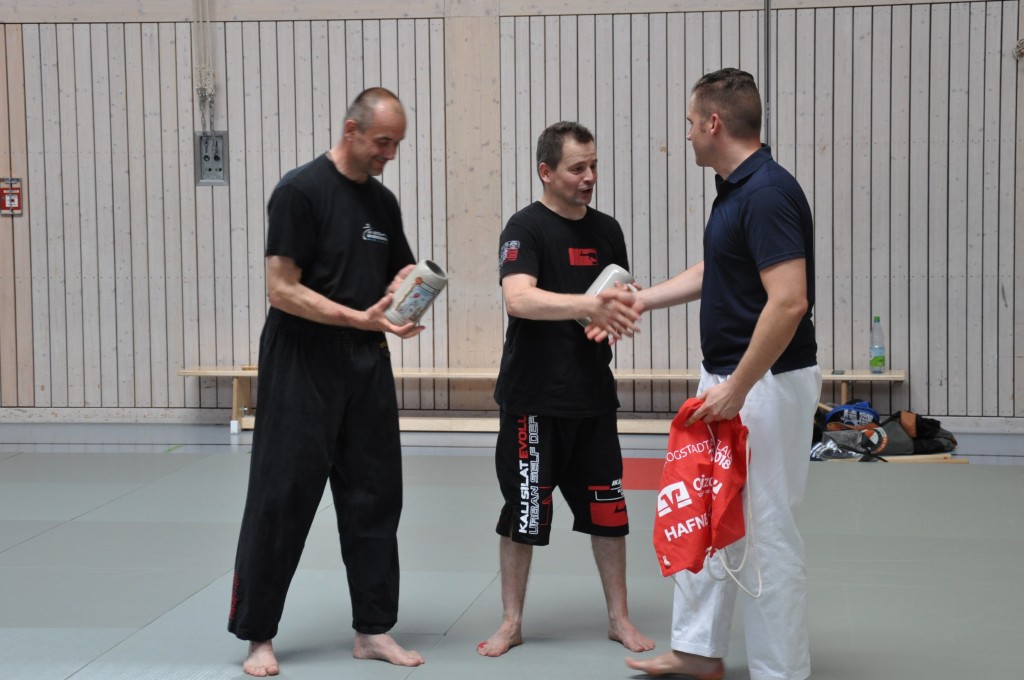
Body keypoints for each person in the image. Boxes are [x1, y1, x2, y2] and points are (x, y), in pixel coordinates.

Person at [625, 68, 821, 680]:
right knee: (705, 515)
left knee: (764, 532)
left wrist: (738, 387)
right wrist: (642, 300)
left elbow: (788, 301)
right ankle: (697, 651)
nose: (686, 134)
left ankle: (780, 670)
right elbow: (719, 267)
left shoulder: (767, 193)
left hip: (763, 384)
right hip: (730, 379)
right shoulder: (736, 191)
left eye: (690, 122)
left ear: (714, 123)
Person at [227, 87, 426, 677]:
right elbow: (281, 289)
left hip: (365, 362)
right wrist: (357, 317)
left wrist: (410, 285)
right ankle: (258, 636)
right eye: (382, 142)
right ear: (351, 130)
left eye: (397, 144)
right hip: (301, 361)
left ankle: (373, 629)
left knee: (375, 496)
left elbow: (396, 266)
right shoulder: (300, 191)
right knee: (281, 498)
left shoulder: (382, 203)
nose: (389, 154)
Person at [478, 121, 655, 658]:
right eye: (577, 168)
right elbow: (519, 299)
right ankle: (511, 622)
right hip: (533, 401)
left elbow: (616, 297)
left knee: (609, 510)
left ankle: (619, 618)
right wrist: (588, 305)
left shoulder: (607, 230)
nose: (589, 177)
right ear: (546, 171)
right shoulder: (524, 228)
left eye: (593, 165)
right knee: (525, 512)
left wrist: (618, 310)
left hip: (593, 398)